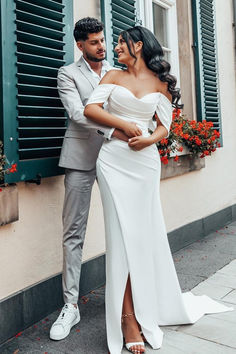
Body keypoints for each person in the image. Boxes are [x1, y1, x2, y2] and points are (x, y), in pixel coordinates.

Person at [84, 26, 232, 354]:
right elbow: (90, 110)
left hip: (145, 165)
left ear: (138, 45)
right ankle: (127, 319)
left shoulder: (161, 84)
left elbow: (164, 127)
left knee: (141, 237)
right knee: (121, 237)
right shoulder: (112, 75)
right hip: (113, 162)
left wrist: (150, 138)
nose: (115, 47)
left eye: (121, 42)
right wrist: (123, 125)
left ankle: (141, 307)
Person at [49, 17, 131, 341]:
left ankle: (127, 306)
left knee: (125, 228)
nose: (102, 46)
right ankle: (71, 306)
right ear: (80, 45)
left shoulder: (118, 72)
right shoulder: (67, 73)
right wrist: (116, 130)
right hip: (81, 160)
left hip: (118, 159)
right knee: (73, 233)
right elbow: (78, 112)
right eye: (94, 42)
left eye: (102, 40)